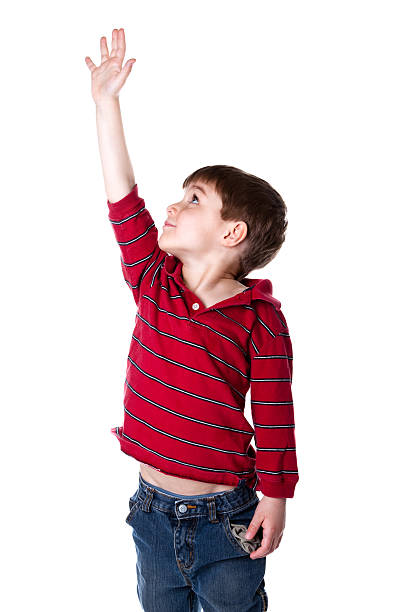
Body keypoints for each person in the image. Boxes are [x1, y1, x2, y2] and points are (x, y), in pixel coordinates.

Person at [85, 27, 299, 612]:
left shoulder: (261, 320)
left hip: (226, 519)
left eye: (195, 199)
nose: (174, 205)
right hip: (152, 513)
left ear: (233, 235)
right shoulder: (154, 282)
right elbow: (123, 199)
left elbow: (276, 415)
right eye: (179, 195)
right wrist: (107, 104)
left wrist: (276, 498)